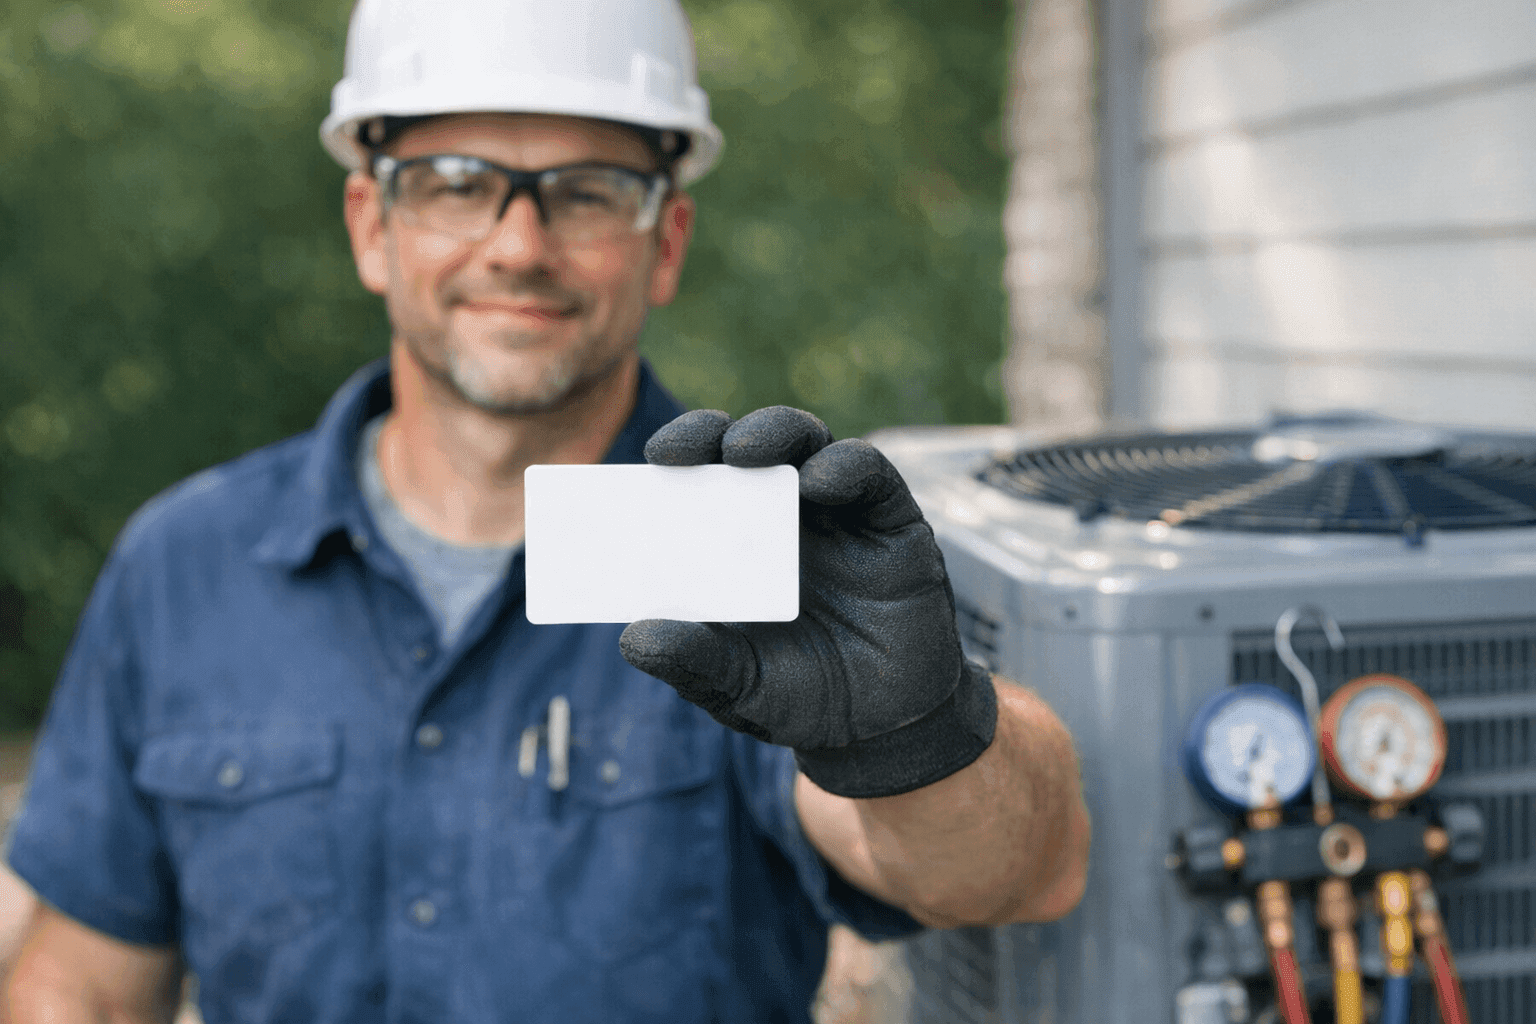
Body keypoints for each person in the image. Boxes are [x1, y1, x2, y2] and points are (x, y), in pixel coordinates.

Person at [1, 0, 1090, 1020]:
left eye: (587, 189)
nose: (519, 245)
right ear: (371, 223)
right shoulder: (184, 566)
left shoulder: (755, 562)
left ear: (664, 241)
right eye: (456, 181)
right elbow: (81, 987)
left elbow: (1018, 871)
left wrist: (919, 734)